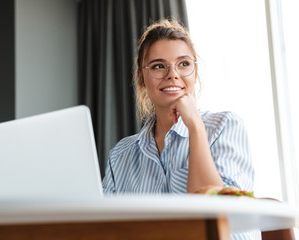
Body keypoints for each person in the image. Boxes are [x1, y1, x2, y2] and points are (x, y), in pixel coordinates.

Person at [102, 19, 260, 239]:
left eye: (184, 64)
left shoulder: (224, 127)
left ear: (195, 73)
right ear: (141, 78)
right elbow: (105, 228)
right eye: (158, 66)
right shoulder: (120, 156)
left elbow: (215, 218)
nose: (172, 74)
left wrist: (195, 126)